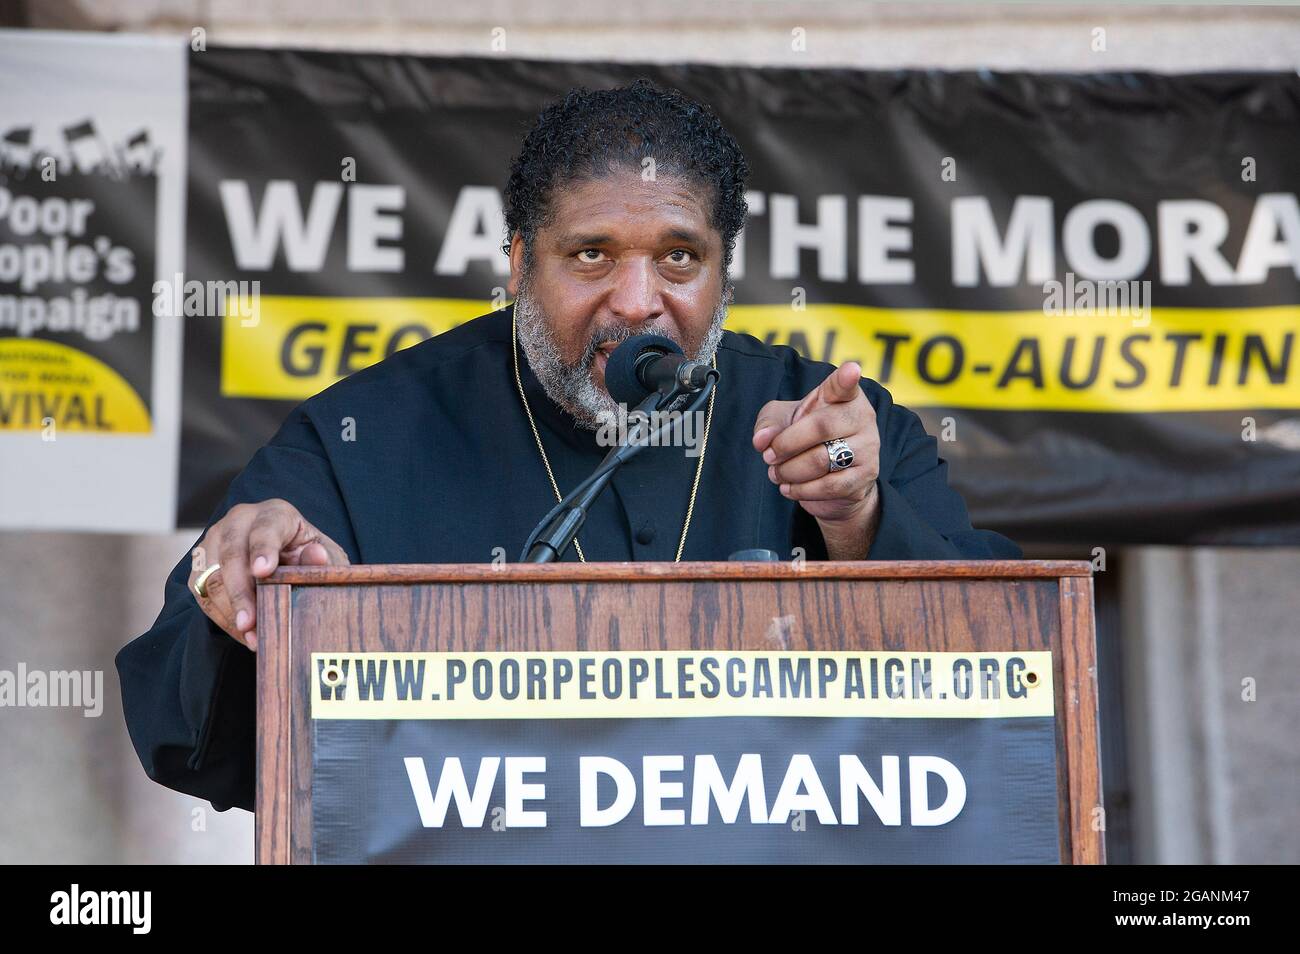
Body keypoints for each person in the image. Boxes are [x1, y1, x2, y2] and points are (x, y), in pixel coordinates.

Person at [116, 79, 1020, 813]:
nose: (637, 300)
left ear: (723, 272)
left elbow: (1002, 690)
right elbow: (179, 735)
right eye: (591, 255)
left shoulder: (829, 423)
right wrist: (238, 587)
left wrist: (858, 520)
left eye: (678, 258)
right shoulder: (366, 435)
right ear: (517, 265)